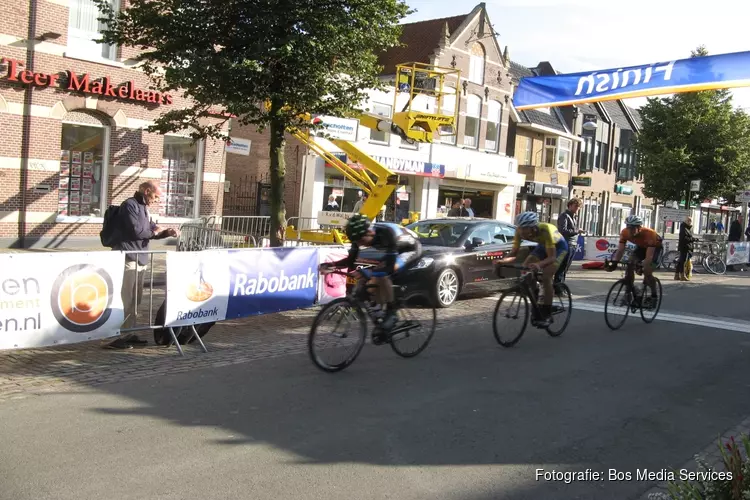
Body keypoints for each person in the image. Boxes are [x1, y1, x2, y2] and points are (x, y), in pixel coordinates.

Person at [319, 214, 422, 343]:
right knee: (367, 282)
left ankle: (392, 312)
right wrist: (332, 265)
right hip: (392, 252)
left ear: (369, 233)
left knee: (382, 275)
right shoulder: (359, 237)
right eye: (356, 242)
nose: (359, 244)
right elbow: (351, 261)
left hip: (409, 250)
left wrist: (367, 272)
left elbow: (389, 267)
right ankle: (380, 315)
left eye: (361, 241)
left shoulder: (387, 234)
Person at [107, 180, 178, 349]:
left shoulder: (144, 208)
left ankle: (128, 332)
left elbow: (150, 230)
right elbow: (137, 231)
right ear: (147, 191)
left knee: (136, 300)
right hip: (129, 257)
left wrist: (166, 232)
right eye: (155, 196)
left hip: (141, 258)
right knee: (125, 298)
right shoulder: (129, 205)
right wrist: (154, 231)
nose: (156, 200)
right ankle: (117, 336)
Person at [498, 212, 569, 327]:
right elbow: (514, 253)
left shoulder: (546, 230)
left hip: (559, 248)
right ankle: (538, 302)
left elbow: (552, 257)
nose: (522, 232)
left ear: (532, 227)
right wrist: (501, 261)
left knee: (546, 276)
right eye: (520, 228)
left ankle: (547, 314)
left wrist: (539, 265)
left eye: (525, 229)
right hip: (542, 246)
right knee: (525, 269)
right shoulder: (519, 232)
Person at [605, 215, 663, 308]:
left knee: (647, 271)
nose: (630, 231)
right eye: (628, 228)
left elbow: (649, 257)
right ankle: (629, 292)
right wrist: (615, 263)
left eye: (632, 228)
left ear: (639, 228)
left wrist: (642, 265)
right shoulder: (624, 232)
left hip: (655, 248)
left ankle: (653, 296)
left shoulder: (650, 234)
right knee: (630, 264)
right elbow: (620, 250)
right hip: (641, 248)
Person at [556, 198, 584, 282]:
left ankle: (560, 285)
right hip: (566, 244)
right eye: (576, 206)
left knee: (565, 267)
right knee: (562, 267)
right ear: (570, 205)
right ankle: (558, 286)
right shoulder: (564, 215)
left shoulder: (573, 217)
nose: (577, 209)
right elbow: (562, 230)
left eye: (578, 207)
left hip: (572, 244)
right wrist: (577, 231)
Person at [676, 216, 695, 281]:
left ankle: (677, 275)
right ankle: (682, 275)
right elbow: (684, 238)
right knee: (682, 262)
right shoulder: (684, 228)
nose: (690, 222)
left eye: (691, 220)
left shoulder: (687, 228)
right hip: (684, 247)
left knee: (681, 261)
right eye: (689, 220)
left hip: (686, 247)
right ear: (685, 221)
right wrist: (692, 239)